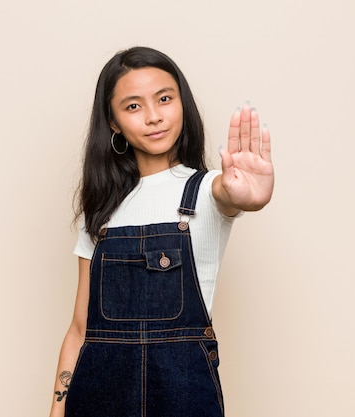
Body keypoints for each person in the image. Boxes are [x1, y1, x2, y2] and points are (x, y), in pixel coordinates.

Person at [48, 46, 274, 417]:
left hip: (182, 396)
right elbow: (79, 328)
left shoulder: (209, 190)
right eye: (133, 106)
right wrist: (56, 412)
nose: (154, 117)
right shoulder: (101, 211)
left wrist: (251, 196)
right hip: (96, 395)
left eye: (164, 99)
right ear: (114, 123)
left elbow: (233, 196)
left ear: (181, 104)